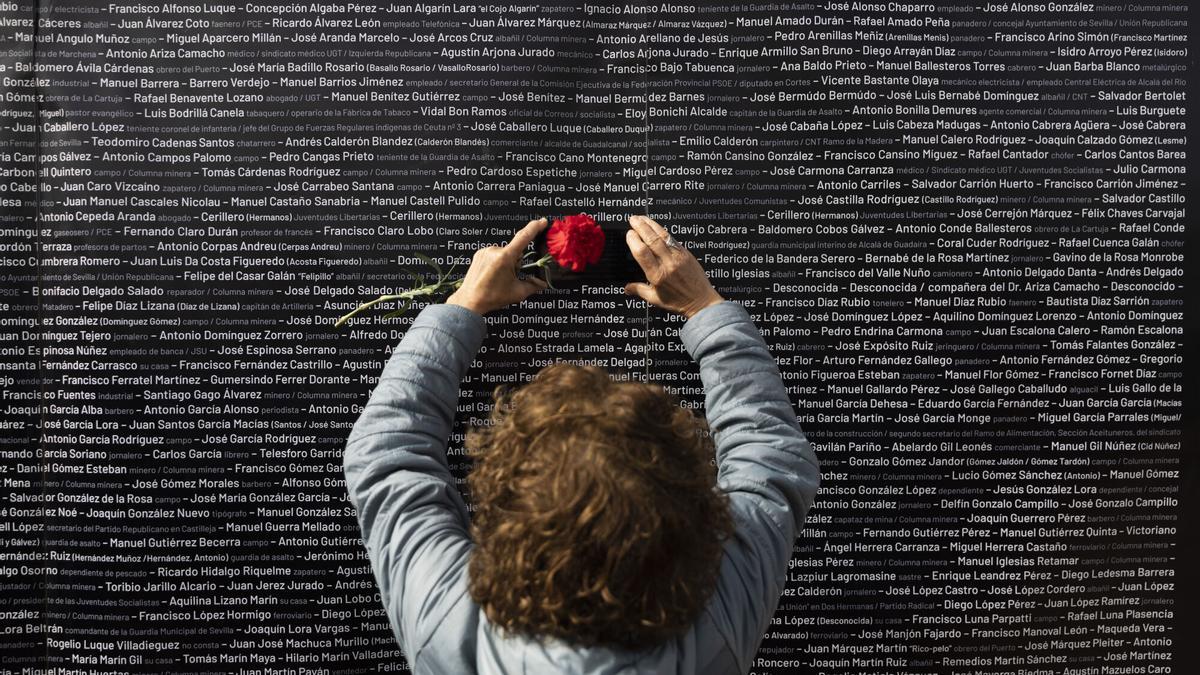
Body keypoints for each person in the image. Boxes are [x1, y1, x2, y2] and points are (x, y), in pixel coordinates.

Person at [343, 214, 821, 674]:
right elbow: (769, 455)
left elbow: (386, 455)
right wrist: (704, 309)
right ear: (687, 503)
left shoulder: (448, 626)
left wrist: (463, 306)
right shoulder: (718, 620)